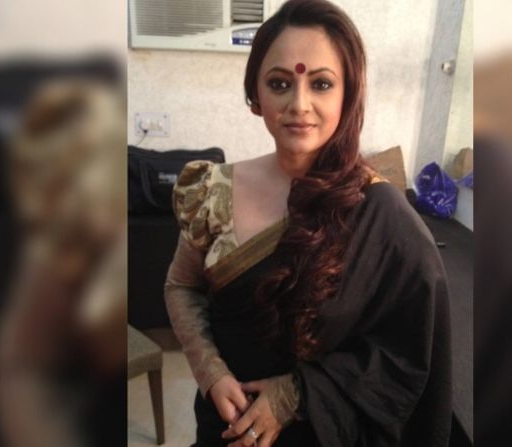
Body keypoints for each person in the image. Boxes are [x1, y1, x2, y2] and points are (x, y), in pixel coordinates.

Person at [164, 1, 451, 446]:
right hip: (224, 422)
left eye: (321, 84)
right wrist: (210, 372)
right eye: (280, 83)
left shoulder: (381, 213)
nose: (299, 104)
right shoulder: (214, 189)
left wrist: (293, 396)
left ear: (347, 95)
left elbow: (406, 351)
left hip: (320, 432)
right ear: (256, 95)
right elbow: (181, 286)